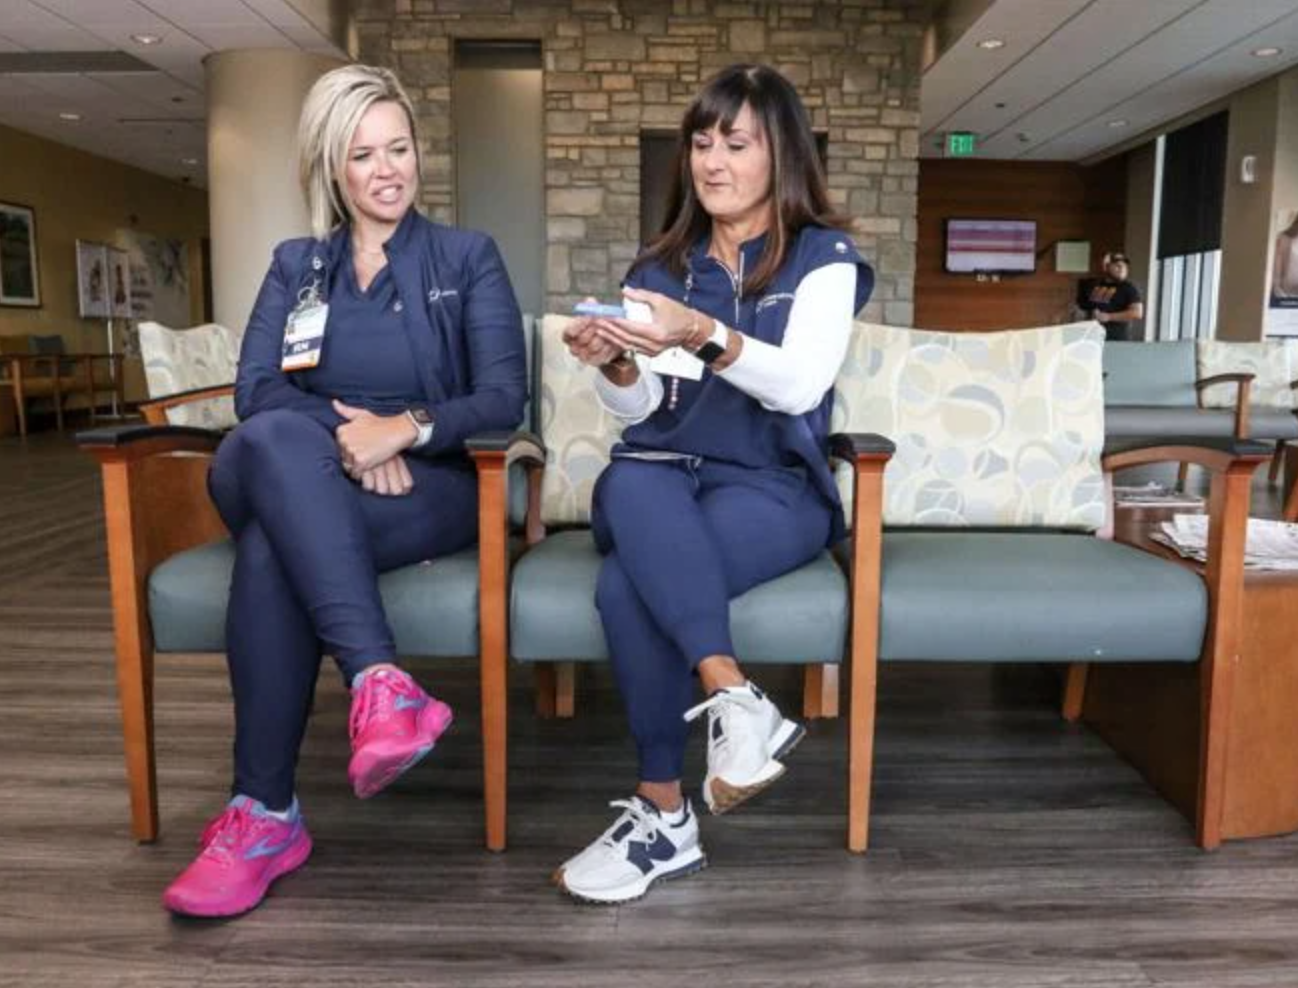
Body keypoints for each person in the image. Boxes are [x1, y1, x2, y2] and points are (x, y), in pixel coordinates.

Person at [161, 64, 527, 918]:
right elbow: (257, 392)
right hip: (310, 472)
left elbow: (503, 398)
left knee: (271, 549)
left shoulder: (466, 258)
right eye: (364, 155)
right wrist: (345, 439)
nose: (387, 169)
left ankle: (263, 815)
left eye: (399, 148)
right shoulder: (299, 266)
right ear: (333, 168)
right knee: (277, 434)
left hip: (428, 486)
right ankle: (380, 684)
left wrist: (401, 430)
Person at [555, 64, 873, 905]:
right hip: (664, 476)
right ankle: (733, 697)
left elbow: (800, 387)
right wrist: (616, 362)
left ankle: (664, 817)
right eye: (702, 143)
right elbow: (640, 409)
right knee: (631, 476)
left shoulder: (824, 260)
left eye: (736, 143)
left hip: (772, 488)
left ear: (783, 155)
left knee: (628, 588)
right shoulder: (663, 263)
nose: (712, 161)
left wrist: (702, 332)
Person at [1078, 251, 1143, 341]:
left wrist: (1109, 316)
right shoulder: (1096, 286)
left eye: (1124, 265)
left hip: (1115, 342)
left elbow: (1137, 313)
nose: (1122, 268)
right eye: (1117, 265)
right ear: (1106, 267)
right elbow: (1085, 308)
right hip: (1094, 338)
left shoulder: (1128, 287)